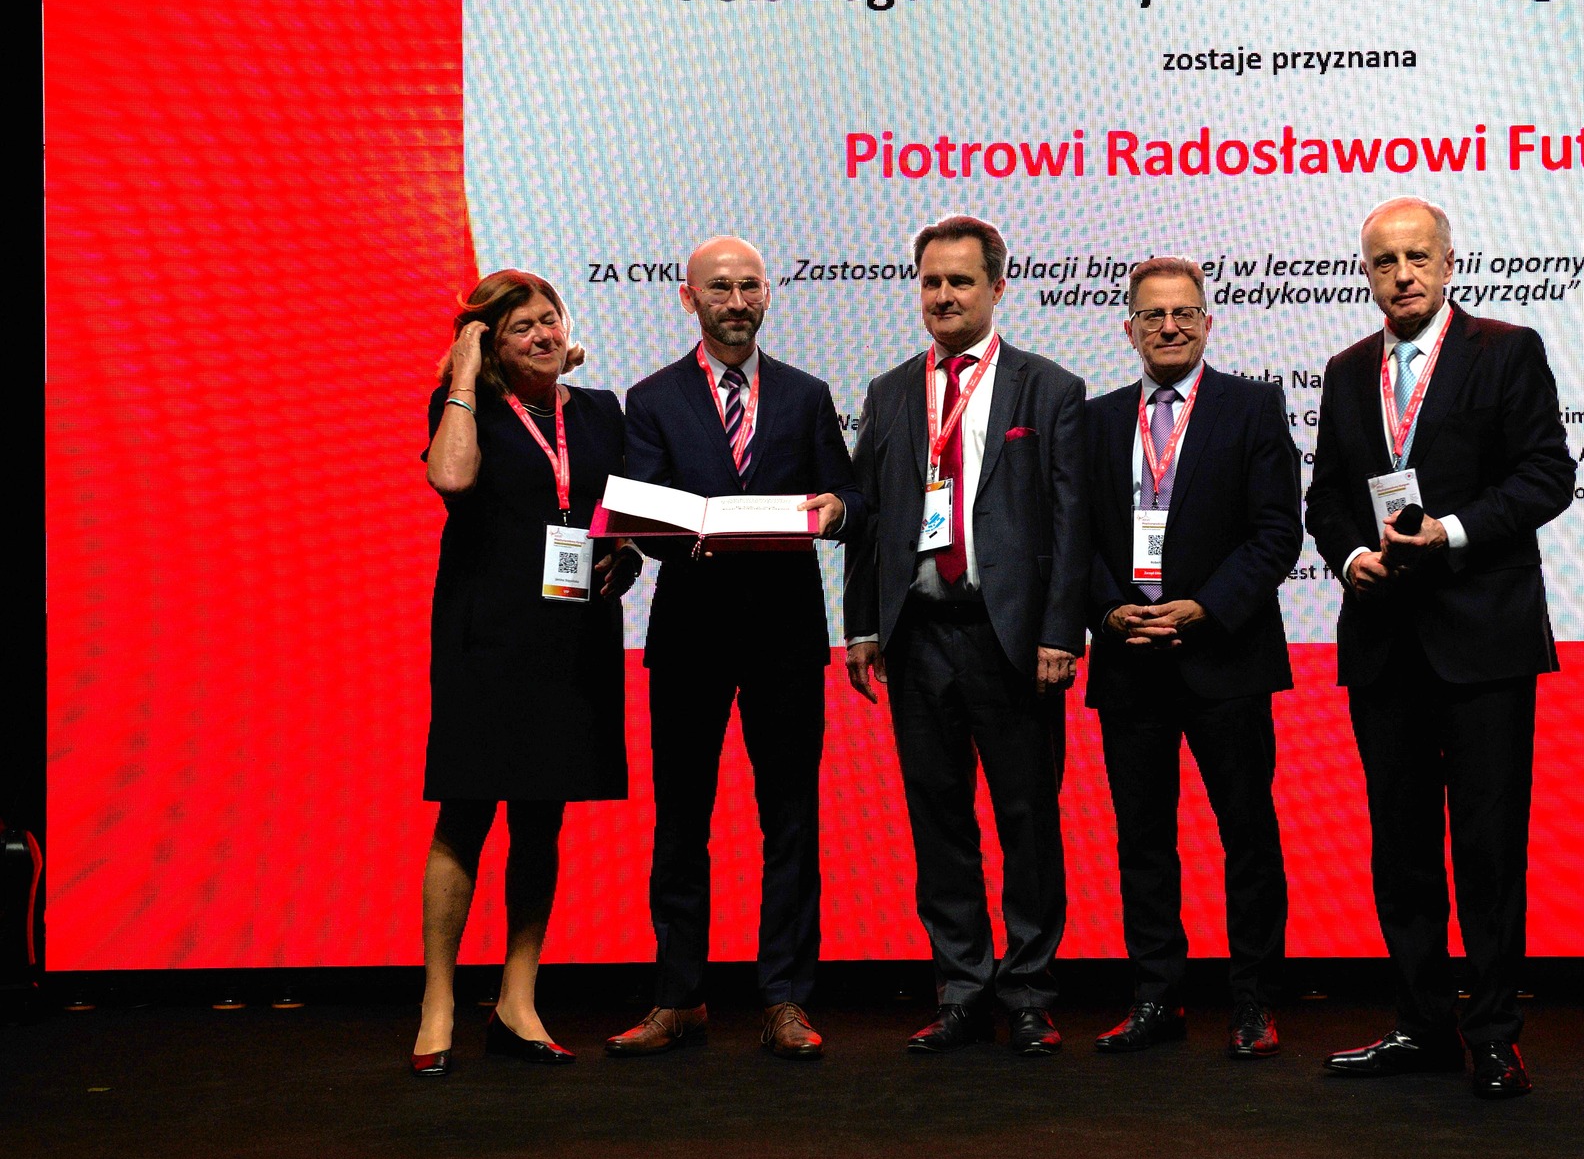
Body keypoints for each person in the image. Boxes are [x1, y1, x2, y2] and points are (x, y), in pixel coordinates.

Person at [1304, 198, 1575, 1099]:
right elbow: (1326, 498)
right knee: (1402, 849)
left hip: (1485, 640)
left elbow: (1547, 475)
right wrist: (1352, 557)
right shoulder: (1347, 372)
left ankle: (1494, 1034)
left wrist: (1451, 532)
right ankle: (1422, 1026)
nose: (1403, 274)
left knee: (1489, 849)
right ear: (1367, 274)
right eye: (1385, 261)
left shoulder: (1507, 349)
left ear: (1450, 261)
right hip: (1384, 642)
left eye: (1418, 256)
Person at [605, 237, 859, 1061]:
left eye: (750, 286)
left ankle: (785, 998)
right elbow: (642, 514)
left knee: (791, 820)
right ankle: (679, 997)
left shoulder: (807, 394)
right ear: (690, 298)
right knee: (682, 821)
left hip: (787, 635)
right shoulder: (651, 398)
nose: (737, 301)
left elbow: (848, 493)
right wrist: (684, 532)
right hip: (690, 635)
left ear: (768, 294)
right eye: (720, 288)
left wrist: (837, 509)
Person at [844, 214, 1089, 1056]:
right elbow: (870, 519)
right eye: (931, 281)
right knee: (938, 818)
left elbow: (1071, 522)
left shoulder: (1048, 388)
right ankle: (960, 987)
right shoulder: (888, 391)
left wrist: (1060, 630)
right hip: (917, 637)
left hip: (1009, 638)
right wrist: (862, 625)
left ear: (997, 287)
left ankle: (1029, 991)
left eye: (960, 280)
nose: (943, 295)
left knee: (1028, 821)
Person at [413, 270, 642, 1076]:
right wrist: (465, 372)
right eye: (521, 328)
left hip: (573, 638)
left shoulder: (602, 411)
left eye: (551, 319)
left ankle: (518, 998)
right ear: (489, 344)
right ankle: (439, 1000)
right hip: (487, 636)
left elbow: (619, 518)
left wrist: (627, 556)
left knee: (542, 818)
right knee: (466, 812)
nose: (544, 334)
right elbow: (451, 478)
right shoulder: (463, 408)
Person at [1082, 258, 1302, 1059]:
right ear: (1129, 328)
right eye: (1153, 314)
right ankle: (1156, 995)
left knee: (1247, 833)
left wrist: (1205, 607)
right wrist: (1109, 610)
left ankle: (1253, 1000)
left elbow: (1277, 531)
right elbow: (1072, 535)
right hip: (1128, 658)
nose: (1169, 326)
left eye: (1184, 313)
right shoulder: (1095, 419)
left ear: (1208, 322)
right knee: (1142, 840)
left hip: (1226, 655)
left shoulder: (1253, 406)